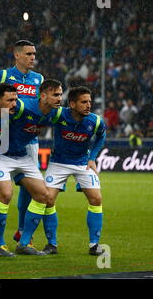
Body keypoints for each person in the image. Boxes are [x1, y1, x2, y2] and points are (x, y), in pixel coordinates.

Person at [0, 80, 63, 257]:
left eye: (60, 94)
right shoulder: (21, 107)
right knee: (5, 194)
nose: (60, 98)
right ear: (43, 96)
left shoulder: (55, 113)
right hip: (0, 155)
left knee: (43, 196)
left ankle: (24, 242)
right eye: (56, 95)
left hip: (22, 156)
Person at [0, 40, 44, 245]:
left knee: (29, 188)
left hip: (29, 139)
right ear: (16, 55)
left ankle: (21, 230)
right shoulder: (3, 76)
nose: (32, 57)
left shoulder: (39, 79)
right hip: (3, 138)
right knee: (1, 188)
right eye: (28, 54)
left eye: (34, 53)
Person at [43, 86, 106, 256]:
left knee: (96, 198)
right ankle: (51, 244)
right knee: (48, 200)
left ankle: (94, 245)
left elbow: (102, 136)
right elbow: (39, 118)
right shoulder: (58, 115)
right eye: (84, 102)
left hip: (82, 163)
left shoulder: (95, 121)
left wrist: (92, 157)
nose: (88, 105)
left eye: (90, 102)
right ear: (72, 104)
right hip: (59, 162)